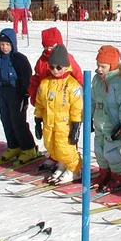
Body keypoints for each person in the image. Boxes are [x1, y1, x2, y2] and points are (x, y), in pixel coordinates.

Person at [34, 44, 83, 184]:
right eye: (51, 67)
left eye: (58, 67)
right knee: (51, 147)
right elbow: (40, 103)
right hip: (49, 122)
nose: (55, 70)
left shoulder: (72, 85)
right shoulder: (45, 84)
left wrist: (75, 125)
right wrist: (38, 119)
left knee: (65, 148)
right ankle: (62, 165)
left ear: (66, 67)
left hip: (65, 124)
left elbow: (77, 106)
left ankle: (75, 168)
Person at [0, 28, 37, 166]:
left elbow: (27, 76)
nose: (4, 47)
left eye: (7, 45)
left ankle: (28, 148)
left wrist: (26, 93)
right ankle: (14, 146)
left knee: (18, 122)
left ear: (13, 45)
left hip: (16, 93)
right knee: (6, 121)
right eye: (2, 44)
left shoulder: (19, 59)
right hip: (3, 93)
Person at [90, 46, 121, 191]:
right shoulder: (97, 80)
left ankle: (118, 175)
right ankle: (104, 172)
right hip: (99, 121)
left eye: (103, 66)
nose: (99, 69)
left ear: (112, 65)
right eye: (98, 65)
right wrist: (90, 117)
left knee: (111, 151)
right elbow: (91, 100)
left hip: (113, 124)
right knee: (98, 149)